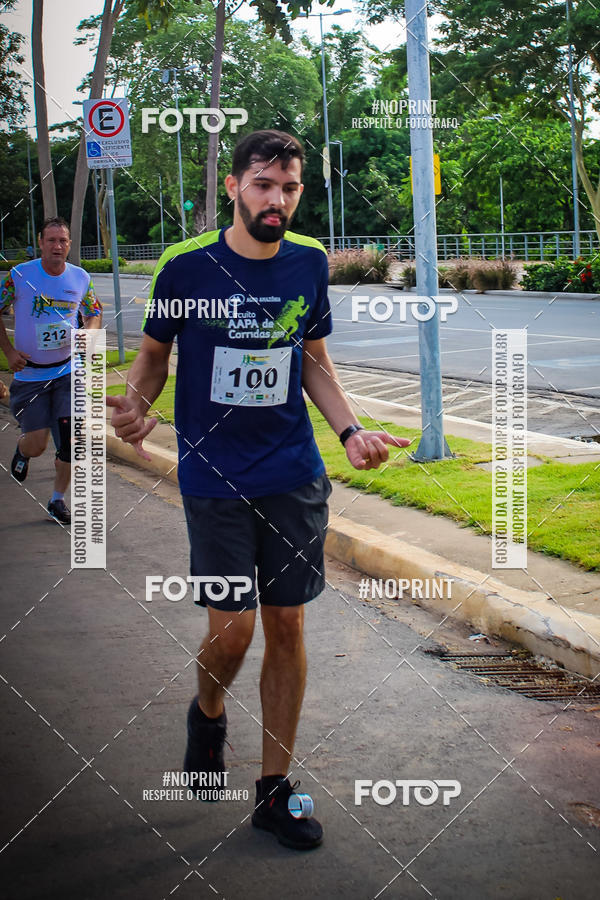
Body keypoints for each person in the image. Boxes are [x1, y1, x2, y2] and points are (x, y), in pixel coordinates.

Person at [107, 130, 410, 850]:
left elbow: (313, 361)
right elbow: (153, 357)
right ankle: (208, 711)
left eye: (290, 187)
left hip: (291, 474)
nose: (277, 199)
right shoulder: (186, 267)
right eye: (265, 184)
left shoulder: (307, 263)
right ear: (235, 187)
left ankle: (274, 788)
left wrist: (350, 431)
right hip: (214, 476)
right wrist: (135, 403)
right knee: (232, 629)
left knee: (287, 624)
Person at [1, 216, 102, 524]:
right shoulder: (20, 275)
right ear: (41, 244)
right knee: (37, 443)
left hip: (66, 372)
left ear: (69, 245)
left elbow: (94, 311)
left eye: (63, 241)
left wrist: (88, 336)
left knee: (71, 439)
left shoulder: (80, 277)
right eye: (51, 240)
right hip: (30, 375)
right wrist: (8, 351)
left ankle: (57, 500)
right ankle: (21, 451)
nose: (57, 246)